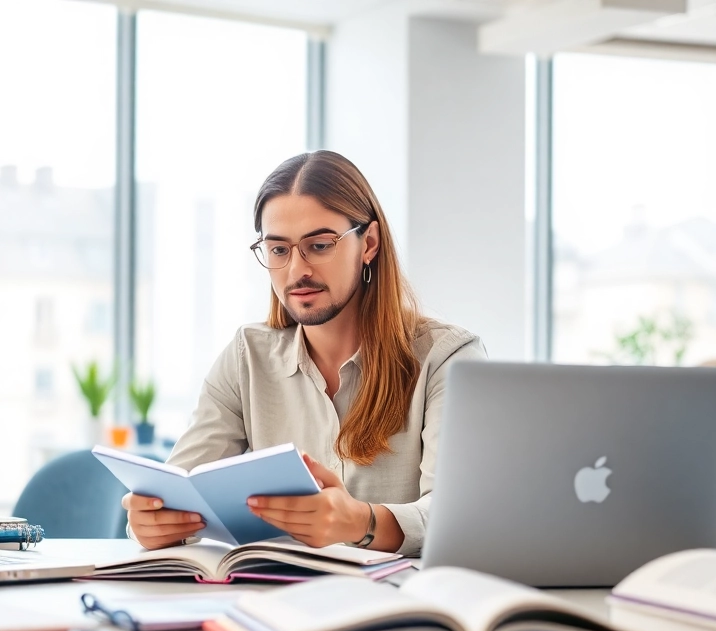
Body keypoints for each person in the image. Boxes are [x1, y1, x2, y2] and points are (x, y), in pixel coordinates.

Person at [123, 150, 485, 555]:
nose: (297, 271)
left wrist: (358, 522)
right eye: (279, 250)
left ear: (369, 243)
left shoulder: (447, 358)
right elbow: (178, 491)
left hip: (401, 604)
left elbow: (461, 518)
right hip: (276, 600)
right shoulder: (247, 358)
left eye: (319, 245)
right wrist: (150, 522)